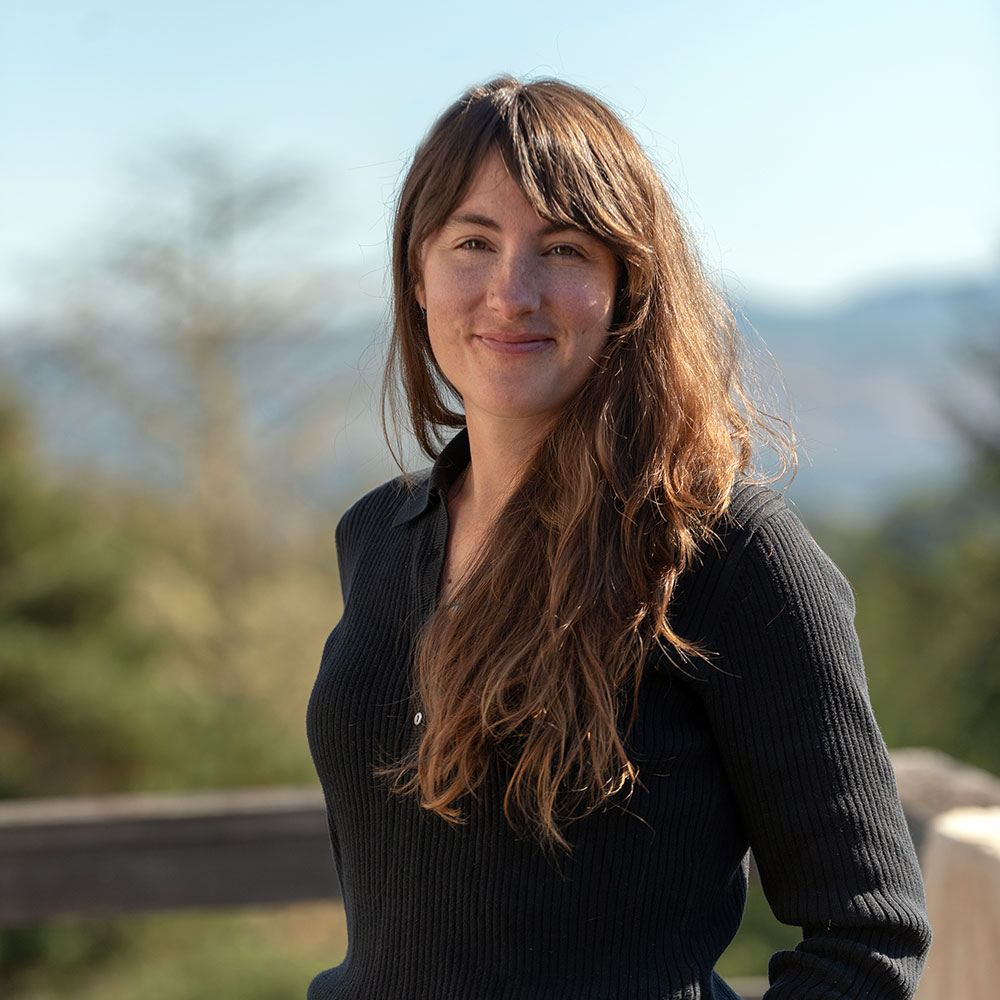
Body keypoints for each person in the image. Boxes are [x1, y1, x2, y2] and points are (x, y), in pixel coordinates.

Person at [306, 76, 931, 1000]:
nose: (511, 292)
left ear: (627, 287)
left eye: (562, 249)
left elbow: (867, 935)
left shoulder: (727, 554)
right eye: (473, 243)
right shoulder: (378, 536)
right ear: (417, 273)